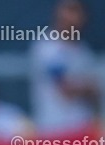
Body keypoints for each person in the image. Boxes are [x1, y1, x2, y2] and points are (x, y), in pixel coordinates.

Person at [31, 0, 99, 134]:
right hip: (55, 132)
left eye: (76, 11)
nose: (72, 16)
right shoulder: (47, 47)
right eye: (68, 10)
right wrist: (91, 87)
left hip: (83, 131)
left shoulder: (84, 52)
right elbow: (66, 88)